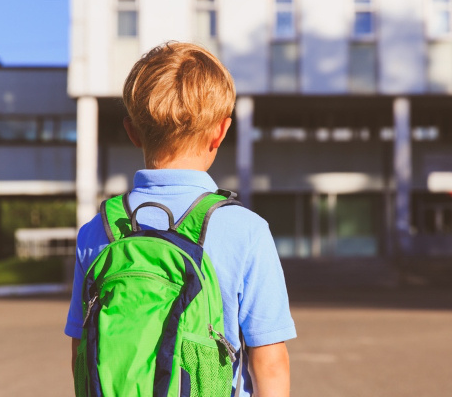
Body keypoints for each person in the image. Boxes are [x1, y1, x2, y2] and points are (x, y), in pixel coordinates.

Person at [64, 41, 296, 397]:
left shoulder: (98, 231)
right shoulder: (246, 231)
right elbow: (270, 363)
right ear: (221, 132)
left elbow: (82, 353)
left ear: (131, 131)